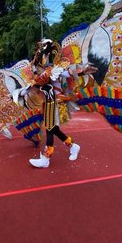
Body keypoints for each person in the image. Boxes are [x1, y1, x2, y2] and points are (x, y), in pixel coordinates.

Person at [26, 39, 80, 168]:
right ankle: (72, 146)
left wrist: (81, 71)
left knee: (50, 128)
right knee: (53, 128)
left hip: (55, 103)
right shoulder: (42, 69)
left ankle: (46, 158)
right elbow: (36, 82)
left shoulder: (55, 71)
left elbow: (67, 73)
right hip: (48, 103)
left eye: (44, 47)